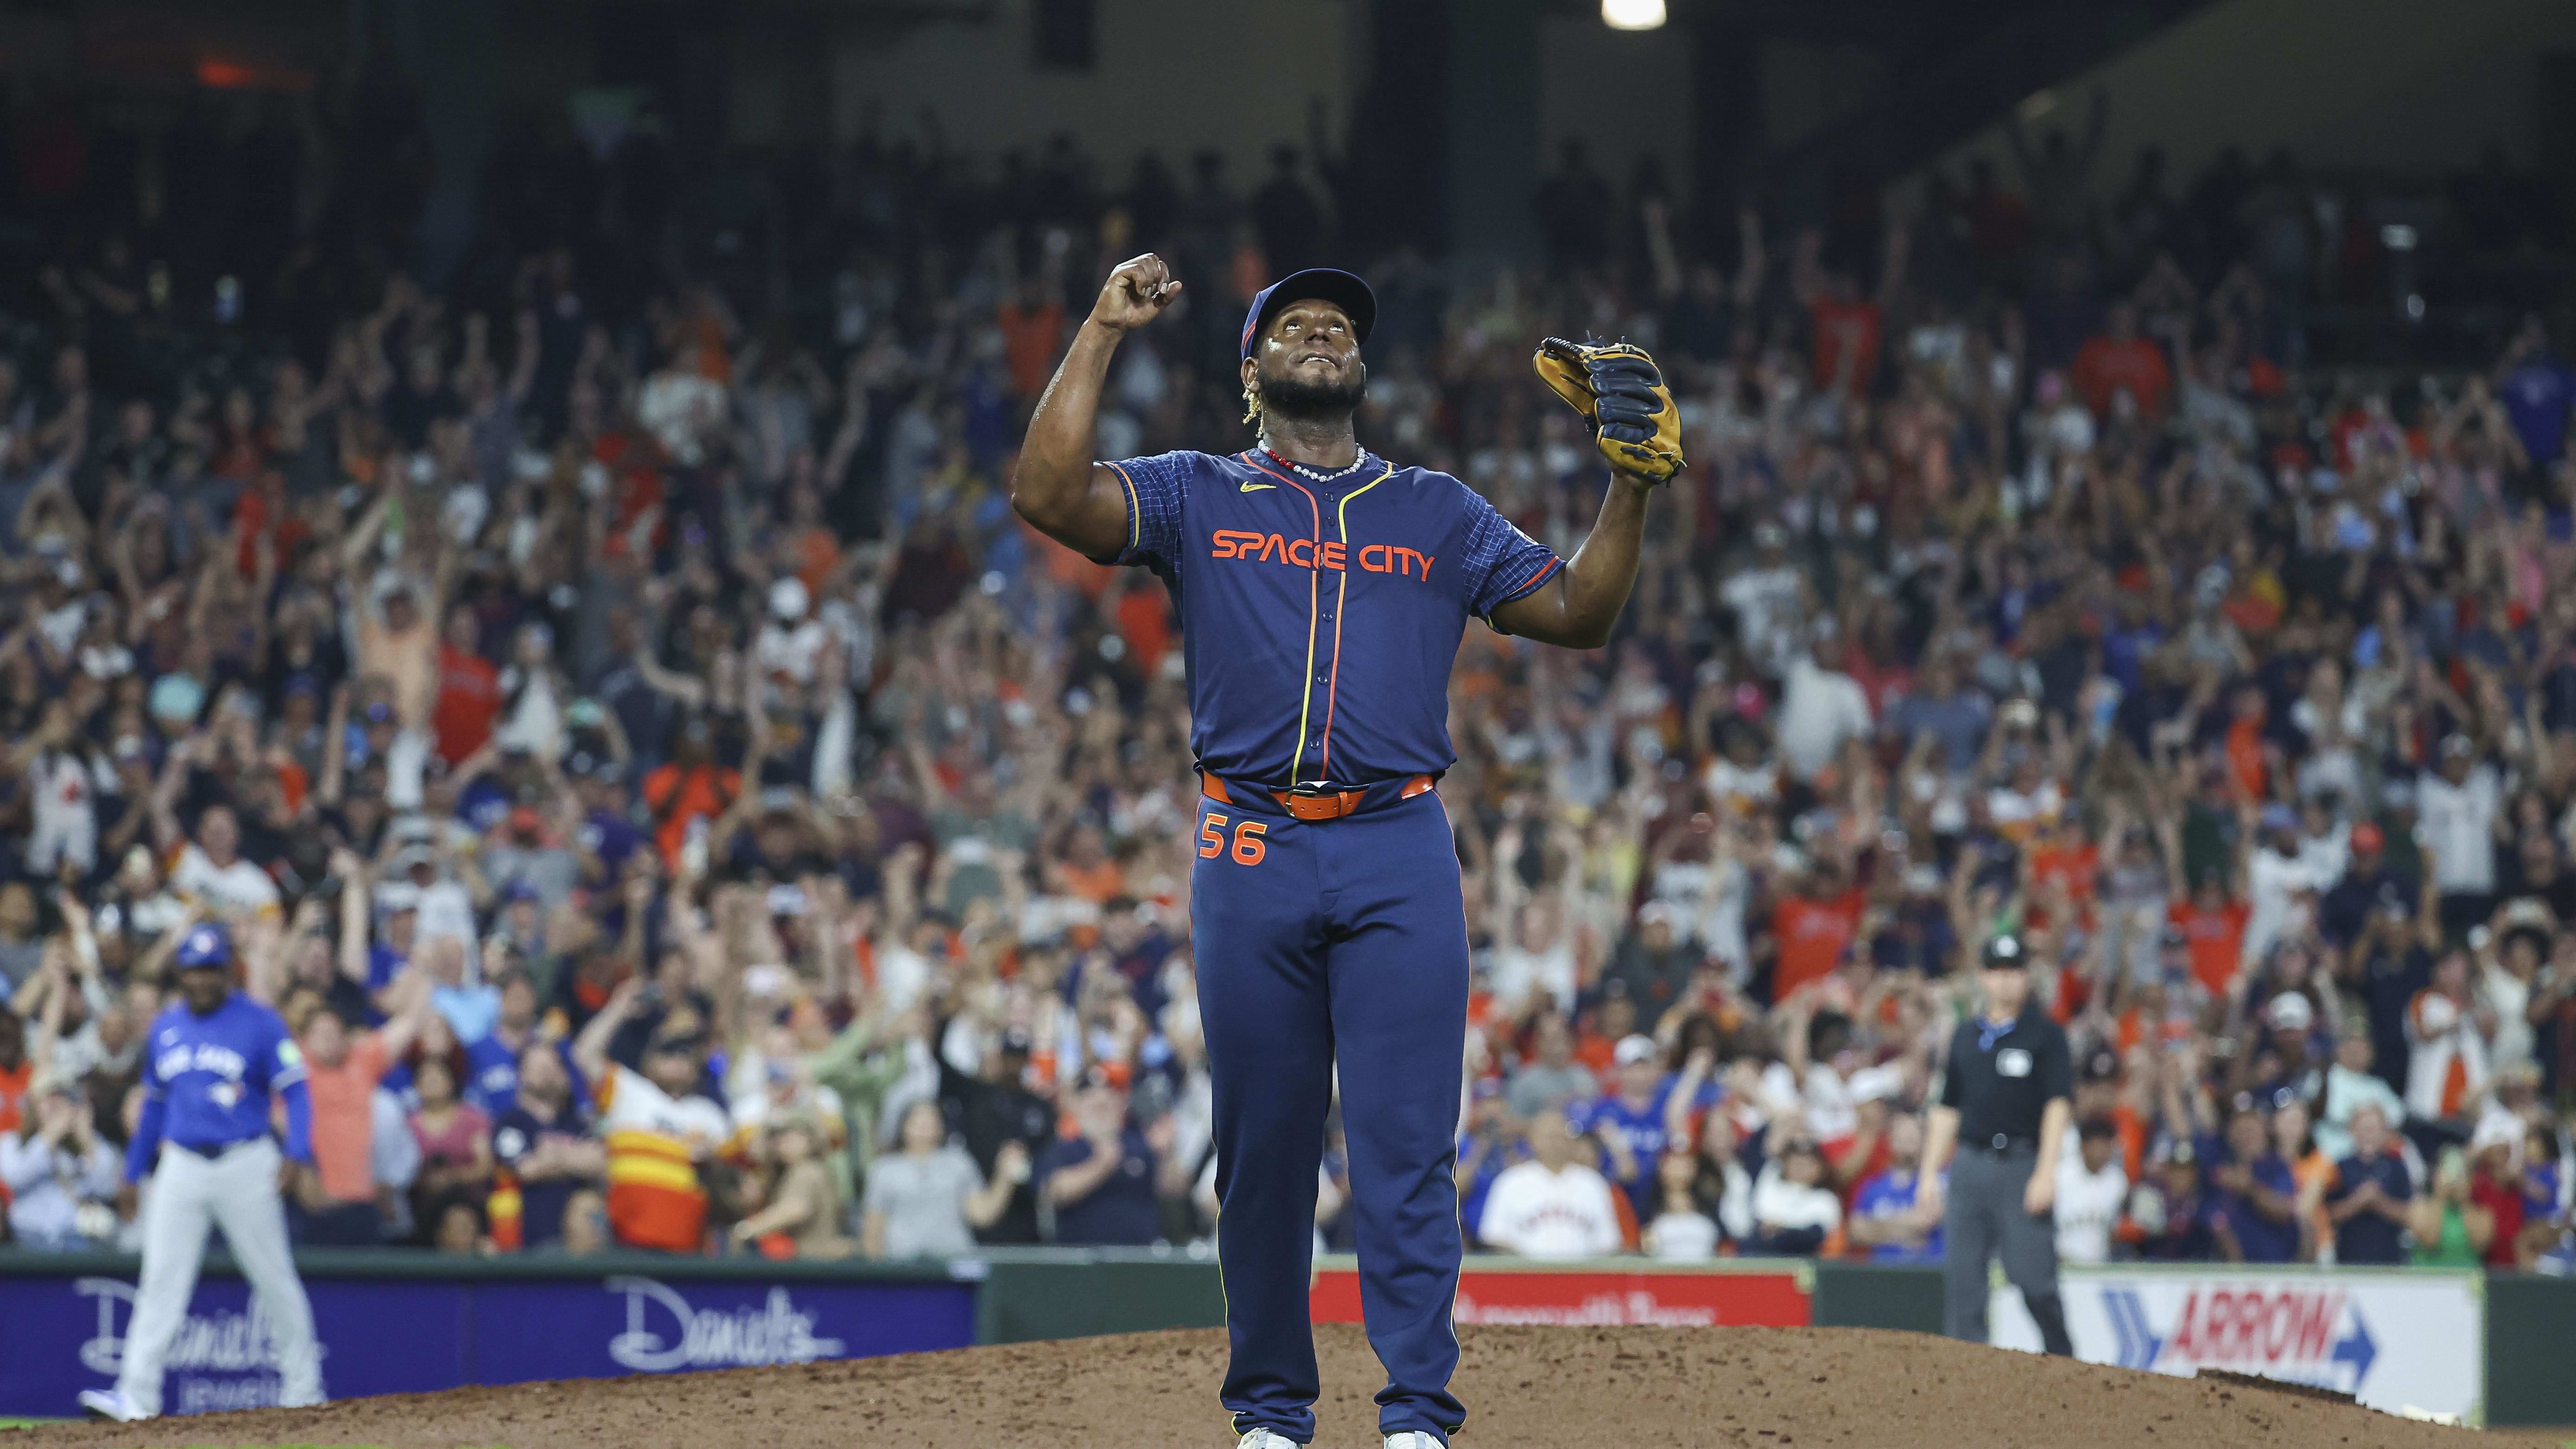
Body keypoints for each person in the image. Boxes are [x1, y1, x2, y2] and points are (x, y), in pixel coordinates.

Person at [1011, 253, 1668, 1449]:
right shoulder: (1196, 488)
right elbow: (1049, 495)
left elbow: (1578, 612)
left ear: (1361, 367)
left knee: (1404, 1144)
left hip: (1395, 843)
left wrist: (1628, 489)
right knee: (1262, 1152)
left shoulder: (1436, 509)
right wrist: (1102, 330)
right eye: (1292, 323)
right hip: (1249, 841)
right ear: (1250, 370)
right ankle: (1271, 1413)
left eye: (1338, 326)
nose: (1320, 333)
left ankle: (1417, 1416)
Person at [79, 924, 324, 1422]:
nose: (203, 980)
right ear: (182, 973)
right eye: (194, 970)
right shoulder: (167, 1027)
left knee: (274, 1278)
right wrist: (131, 1170)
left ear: (228, 971)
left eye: (212, 970)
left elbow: (296, 1090)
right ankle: (136, 1397)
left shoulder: (260, 1022)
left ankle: (305, 1393)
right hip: (181, 1165)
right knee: (160, 1281)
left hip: (246, 1160)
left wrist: (296, 1152)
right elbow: (152, 1106)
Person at [1920, 934, 2074, 1355]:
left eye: (2013, 972)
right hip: (1970, 1163)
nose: (2005, 982)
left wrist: (2046, 1172)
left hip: (2021, 1162)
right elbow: (1946, 1107)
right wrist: (1929, 1173)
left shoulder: (2045, 1036)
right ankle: (1967, 1378)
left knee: (2033, 1278)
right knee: (1964, 1281)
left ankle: (2064, 1360)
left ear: (2027, 977)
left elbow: (2057, 1106)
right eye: (1996, 972)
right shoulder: (1966, 1036)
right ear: (1982, 977)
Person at [858, 1097, 1021, 1258]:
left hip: (953, 1263)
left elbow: (981, 1215)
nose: (925, 1128)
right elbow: (873, 1228)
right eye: (918, 1121)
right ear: (904, 1126)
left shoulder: (958, 1163)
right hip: (902, 1268)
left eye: (932, 1121)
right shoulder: (884, 1169)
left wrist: (1005, 1176)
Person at [1475, 1109, 1623, 1259]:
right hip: (1525, 1277)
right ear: (1532, 1140)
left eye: (1559, 1136)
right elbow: (1495, 1238)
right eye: (1547, 1136)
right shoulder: (1510, 1181)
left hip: (1581, 1277)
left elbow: (1607, 1243)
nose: (1554, 1143)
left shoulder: (1593, 1183)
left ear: (1571, 1140)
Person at [2318, 1102, 2412, 1265]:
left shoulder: (2398, 1167)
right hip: (2348, 1260)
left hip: (2390, 1261)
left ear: (2384, 1133)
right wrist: (2357, 1201)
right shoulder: (2340, 1168)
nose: (2368, 1134)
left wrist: (2380, 1202)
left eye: (2373, 1129)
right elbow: (2327, 1216)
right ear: (2352, 1131)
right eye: (2363, 1128)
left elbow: (2409, 1215)